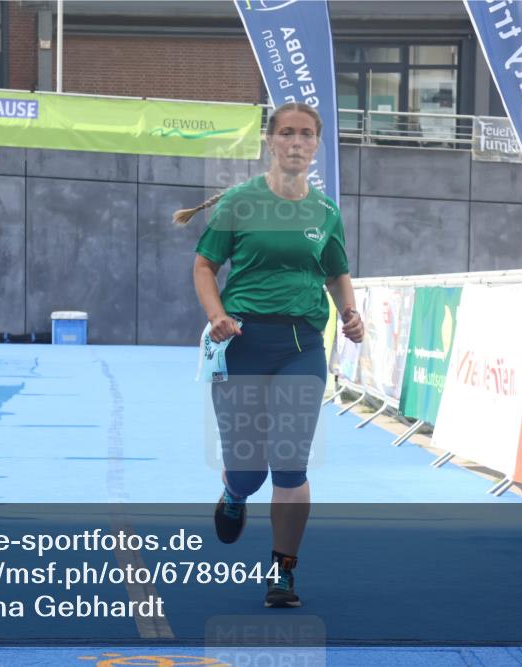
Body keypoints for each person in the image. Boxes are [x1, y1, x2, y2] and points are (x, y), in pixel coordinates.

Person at [175, 102, 364, 609]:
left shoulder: (325, 212)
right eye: (287, 133)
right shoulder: (240, 202)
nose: (296, 142)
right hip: (242, 342)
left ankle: (283, 571)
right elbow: (204, 265)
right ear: (271, 141)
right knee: (248, 470)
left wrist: (350, 312)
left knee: (290, 464)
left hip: (302, 346)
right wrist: (216, 314)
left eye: (306, 134)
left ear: (317, 144)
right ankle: (235, 493)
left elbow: (336, 271)